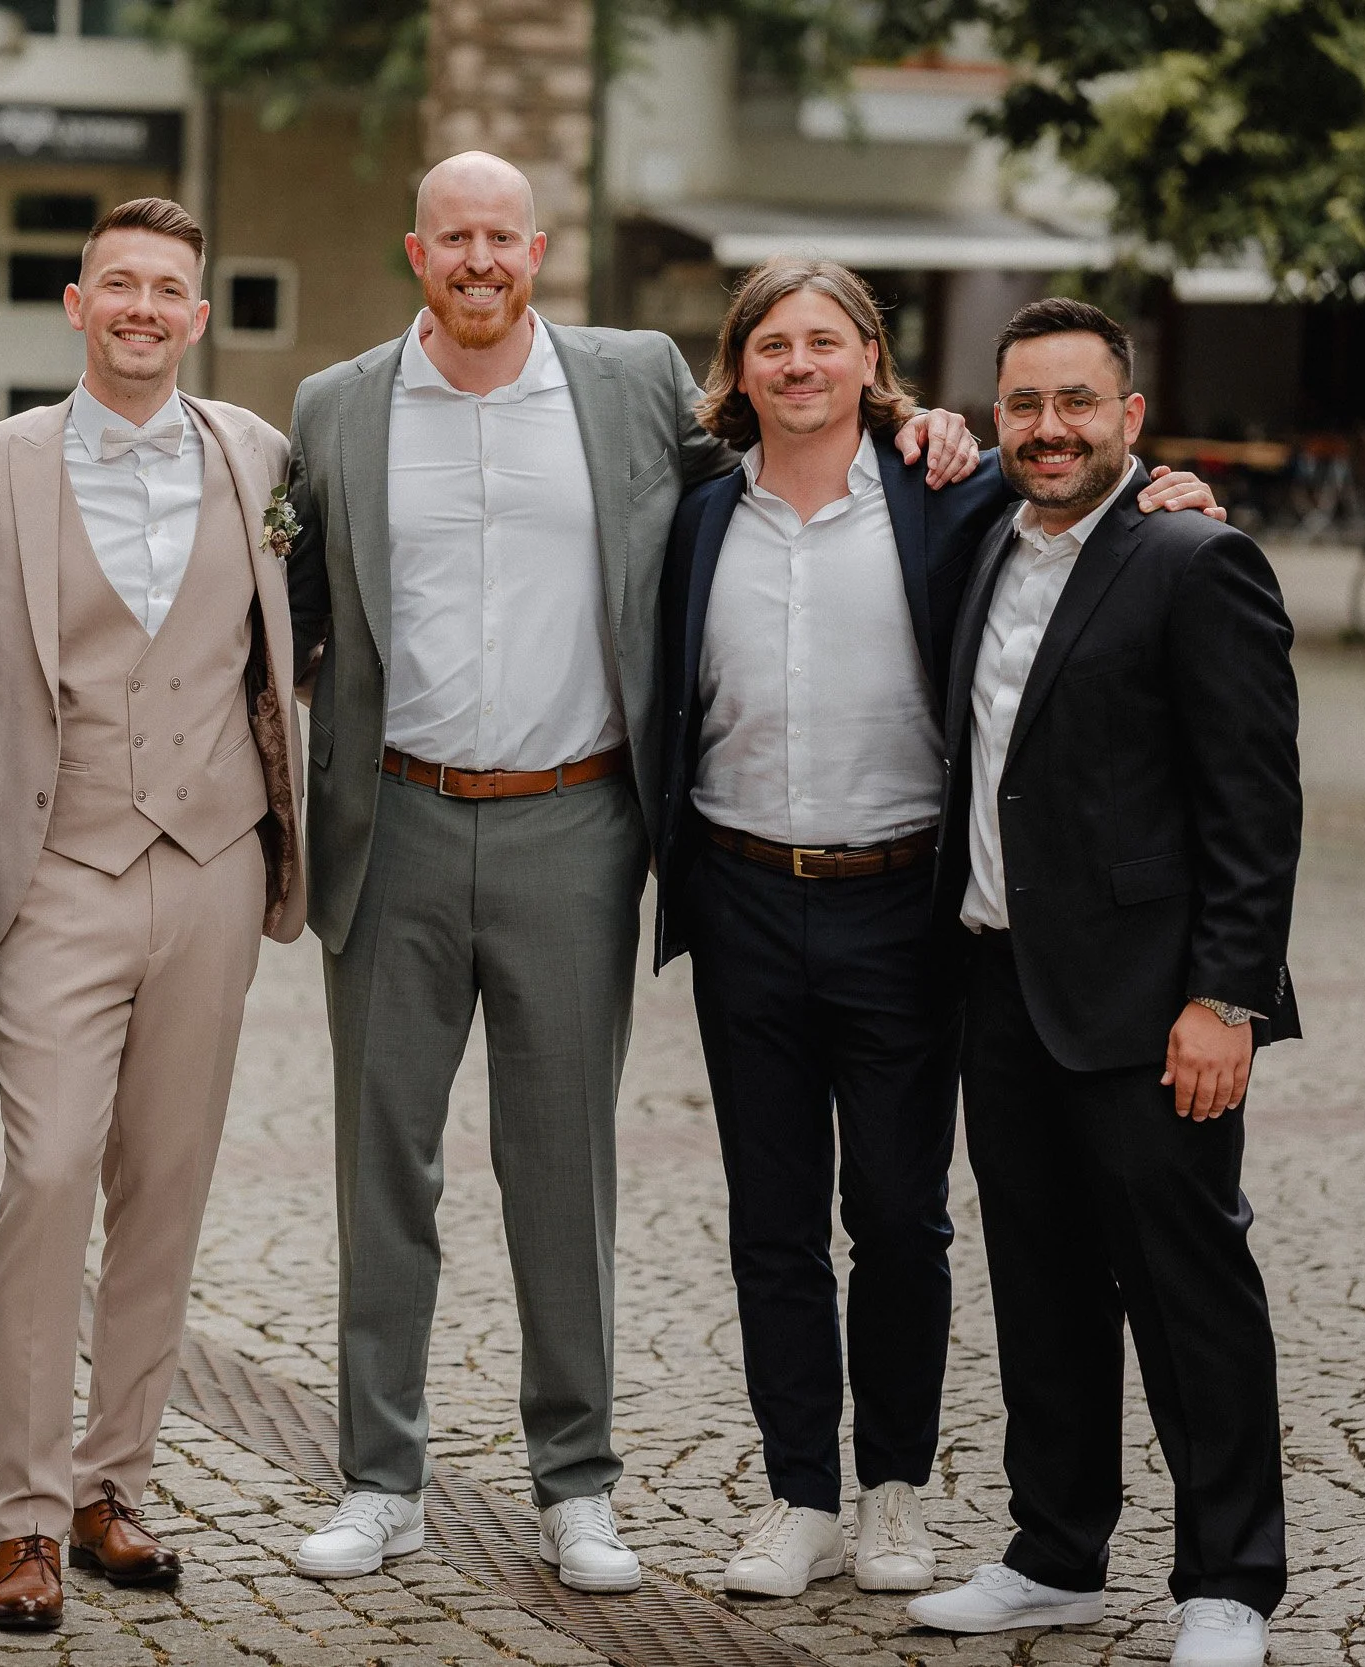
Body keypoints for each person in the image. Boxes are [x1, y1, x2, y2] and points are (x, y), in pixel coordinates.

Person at [279, 152, 980, 1594]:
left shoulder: (630, 383)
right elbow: (283, 603)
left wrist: (933, 436)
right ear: (419, 249)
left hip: (577, 821)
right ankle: (379, 1474)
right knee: (380, 1160)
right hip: (394, 823)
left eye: (503, 236)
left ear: (538, 249)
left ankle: (577, 1481)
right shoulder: (338, 405)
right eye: (453, 236)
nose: (479, 258)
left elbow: (796, 448)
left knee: (563, 1168)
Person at [651, 259, 1220, 1600]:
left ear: (871, 359)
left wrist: (1170, 490)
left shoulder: (944, 495)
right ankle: (798, 1492)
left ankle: (894, 1491)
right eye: (772, 344)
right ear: (738, 370)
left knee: (900, 1215)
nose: (799, 363)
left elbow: (1075, 504)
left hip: (901, 906)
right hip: (739, 895)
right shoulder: (696, 519)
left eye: (825, 340)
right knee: (771, 1219)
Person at [0, 196, 306, 1633]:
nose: (144, 307)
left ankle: (111, 1484)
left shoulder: (257, 454)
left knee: (168, 1179)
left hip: (210, 861)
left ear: (196, 318)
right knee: (49, 1172)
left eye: (170, 289)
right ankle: (22, 1515)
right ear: (76, 303)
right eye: (120, 284)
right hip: (58, 860)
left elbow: (299, 627)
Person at [907, 298, 1297, 1667]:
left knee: (1191, 1286)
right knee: (1041, 1280)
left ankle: (1232, 1577)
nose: (1050, 428)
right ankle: (1056, 1549)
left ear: (1131, 418)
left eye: (1079, 402)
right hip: (999, 980)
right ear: (998, 412)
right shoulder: (981, 544)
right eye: (1025, 403)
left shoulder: (1196, 557)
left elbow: (1253, 803)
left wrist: (1227, 996)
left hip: (1153, 1001)